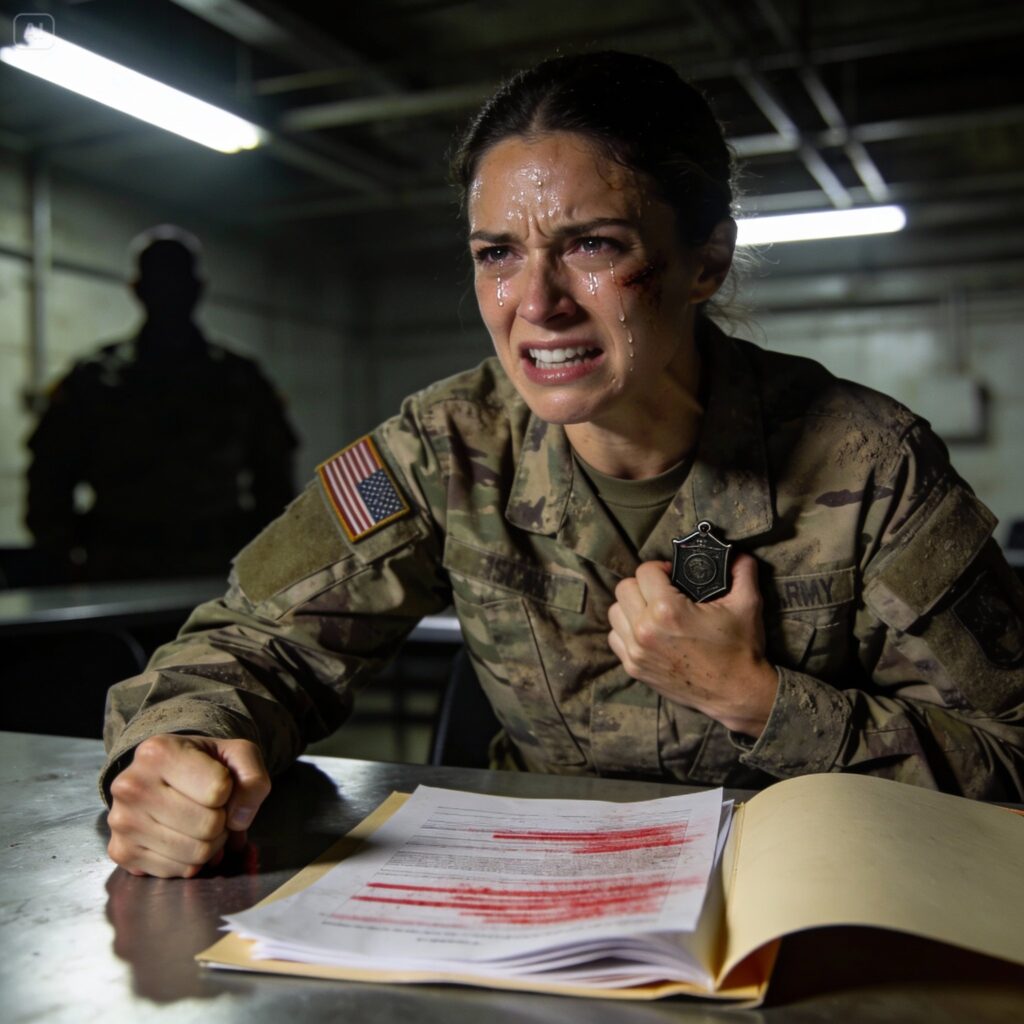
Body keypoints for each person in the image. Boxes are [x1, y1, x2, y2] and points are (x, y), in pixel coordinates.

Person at [101, 53, 1024, 879]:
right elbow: (249, 640)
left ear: (706, 261)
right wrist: (187, 748)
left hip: (805, 897)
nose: (536, 303)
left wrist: (761, 700)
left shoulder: (872, 466)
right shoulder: (440, 450)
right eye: (498, 254)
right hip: (535, 901)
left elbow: (1012, 758)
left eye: (592, 245)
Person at [26, 226, 298, 581]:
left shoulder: (240, 379)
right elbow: (48, 481)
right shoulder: (93, 379)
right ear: (138, 289)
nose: (169, 292)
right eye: (160, 281)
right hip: (117, 570)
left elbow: (276, 482)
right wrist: (63, 558)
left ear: (197, 288)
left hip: (217, 571)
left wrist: (267, 565)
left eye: (177, 281)